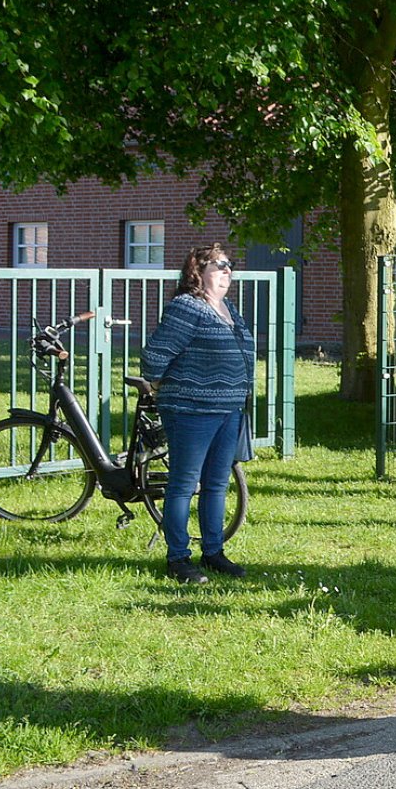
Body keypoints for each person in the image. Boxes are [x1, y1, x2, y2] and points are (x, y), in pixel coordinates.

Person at [140, 244, 256, 584]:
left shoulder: (229, 309)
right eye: (219, 265)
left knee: (217, 485)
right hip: (190, 410)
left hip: (228, 409)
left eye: (229, 264)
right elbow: (154, 357)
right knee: (183, 484)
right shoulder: (186, 307)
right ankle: (178, 558)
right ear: (198, 271)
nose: (227, 270)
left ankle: (213, 552)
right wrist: (172, 385)